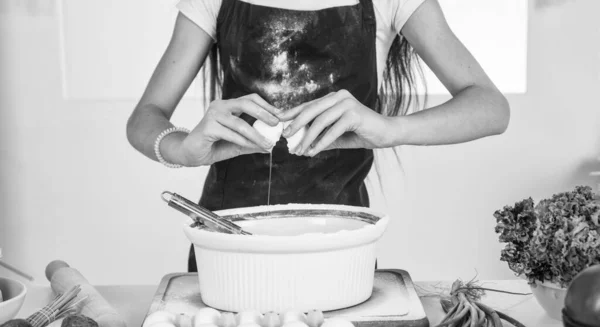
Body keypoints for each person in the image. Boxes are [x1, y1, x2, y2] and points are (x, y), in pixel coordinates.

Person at [126, 0, 510, 272]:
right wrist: (184, 149)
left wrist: (389, 128)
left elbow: (491, 108)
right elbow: (144, 118)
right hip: (226, 245)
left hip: (340, 250)